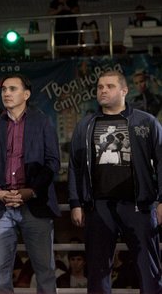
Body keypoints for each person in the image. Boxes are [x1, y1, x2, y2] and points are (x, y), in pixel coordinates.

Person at [67, 70, 162, 294]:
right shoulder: (85, 125)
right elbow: (75, 166)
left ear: (124, 91)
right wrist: (75, 202)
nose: (103, 90)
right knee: (97, 271)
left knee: (148, 269)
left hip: (138, 205)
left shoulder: (145, 121)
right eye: (100, 87)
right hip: (98, 206)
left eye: (109, 86)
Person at [0, 73, 60, 294]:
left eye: (12, 89)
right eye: (4, 89)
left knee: (45, 270)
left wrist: (31, 191)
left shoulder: (42, 122)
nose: (6, 93)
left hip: (35, 204)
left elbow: (53, 162)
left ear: (26, 94)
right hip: (0, 206)